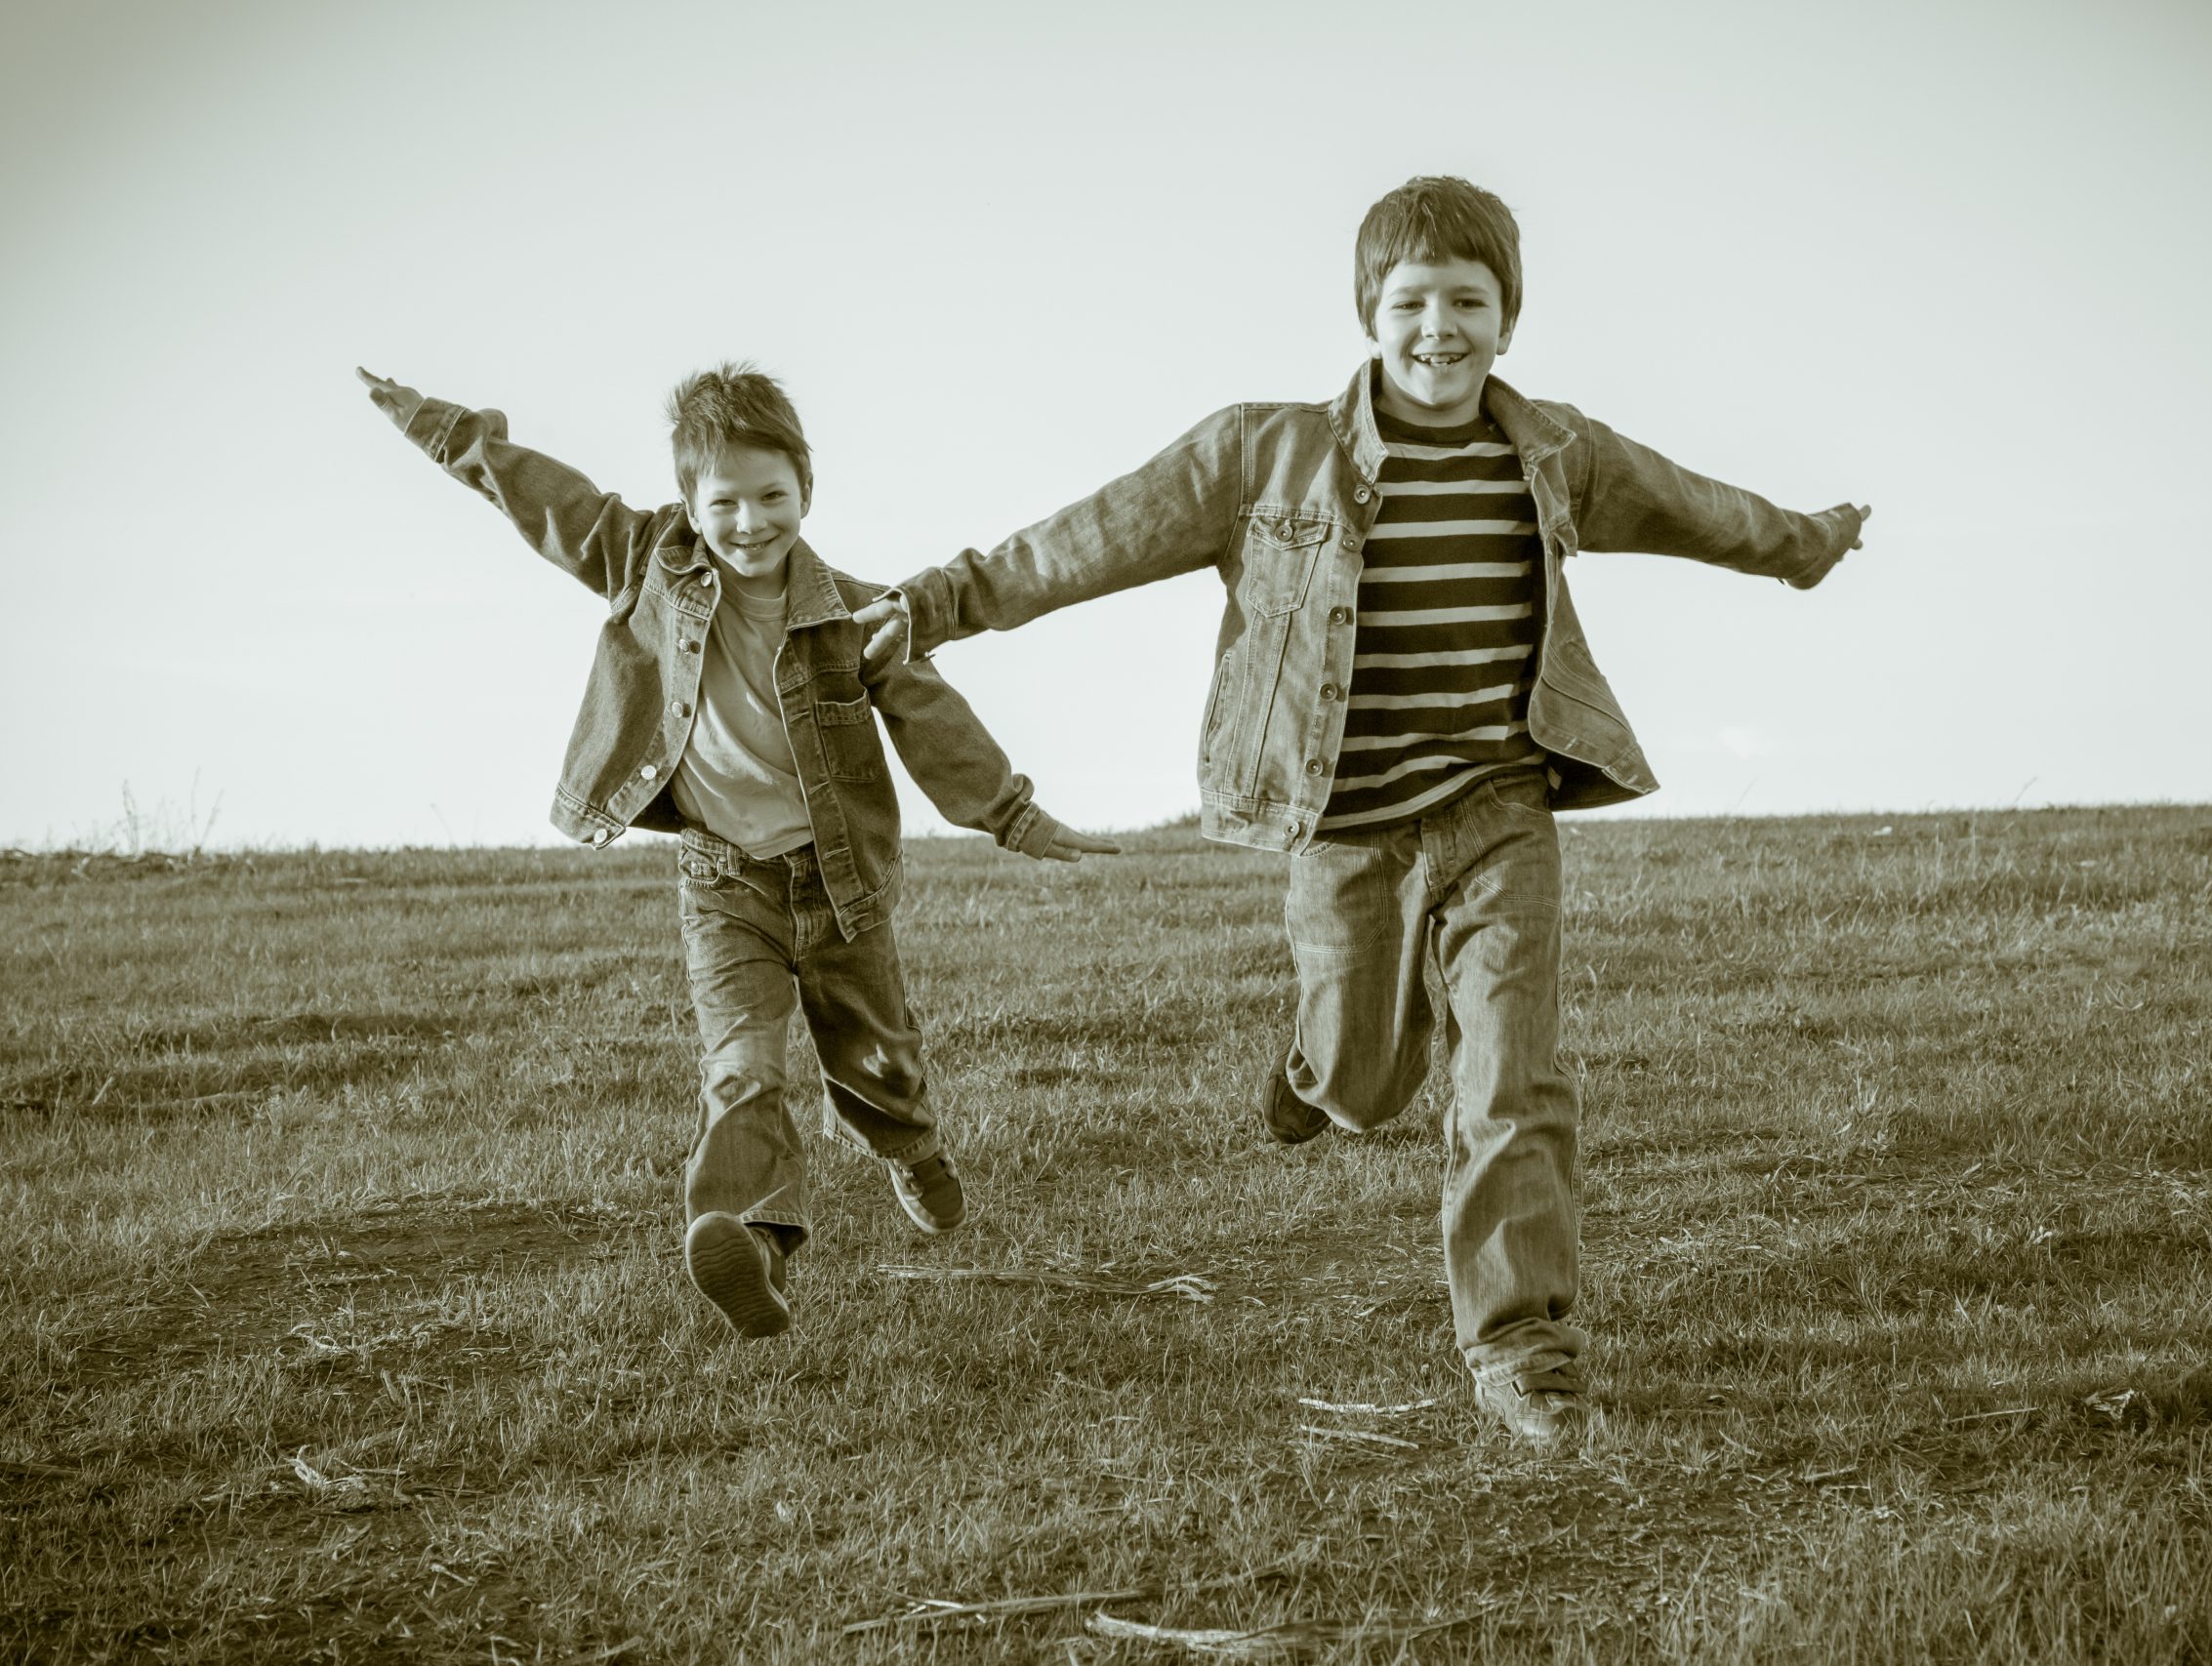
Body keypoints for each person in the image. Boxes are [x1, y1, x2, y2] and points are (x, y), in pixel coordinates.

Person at [854, 177, 1871, 1443]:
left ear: (1508, 318)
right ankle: (1313, 1069)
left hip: (1503, 805)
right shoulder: (1260, 453)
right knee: (1367, 1081)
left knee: (1513, 1078)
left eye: (1469, 301)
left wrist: (1802, 540)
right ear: (1368, 313)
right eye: (1413, 302)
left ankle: (1521, 1346)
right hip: (1344, 820)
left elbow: (1689, 503)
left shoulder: (1557, 449)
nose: (1440, 327)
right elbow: (1089, 537)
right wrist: (942, 599)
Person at [358, 362, 1116, 1340]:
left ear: (806, 492)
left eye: (772, 498)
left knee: (877, 1064)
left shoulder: (853, 611)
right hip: (723, 883)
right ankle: (749, 1237)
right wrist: (443, 430)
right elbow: (538, 495)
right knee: (741, 1068)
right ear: (688, 502)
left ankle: (913, 1149)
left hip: (838, 887)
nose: (751, 522)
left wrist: (1011, 814)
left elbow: (931, 716)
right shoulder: (643, 561)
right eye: (726, 503)